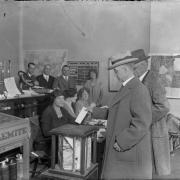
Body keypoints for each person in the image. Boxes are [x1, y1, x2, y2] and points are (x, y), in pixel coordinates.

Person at [87, 50, 152, 179]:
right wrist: (93, 111)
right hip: (123, 152)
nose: (115, 75)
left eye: (116, 72)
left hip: (127, 150)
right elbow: (116, 111)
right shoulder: (126, 87)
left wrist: (123, 141)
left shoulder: (138, 89)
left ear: (126, 70)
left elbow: (142, 122)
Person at [132, 49, 171, 176]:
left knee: (153, 168)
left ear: (144, 64)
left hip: (155, 130)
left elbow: (163, 107)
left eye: (135, 67)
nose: (133, 70)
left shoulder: (154, 81)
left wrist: (145, 119)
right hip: (145, 130)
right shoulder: (139, 81)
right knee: (146, 167)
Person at [35, 89, 76, 155]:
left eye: (63, 98)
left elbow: (73, 121)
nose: (62, 101)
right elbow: (46, 132)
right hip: (48, 143)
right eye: (59, 98)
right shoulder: (47, 112)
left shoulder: (63, 111)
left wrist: (84, 114)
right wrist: (62, 132)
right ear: (53, 99)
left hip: (60, 140)